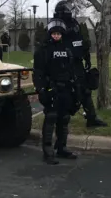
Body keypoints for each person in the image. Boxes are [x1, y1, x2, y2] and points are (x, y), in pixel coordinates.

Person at [53, 0, 107, 128]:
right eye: (68, 8)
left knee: (85, 90)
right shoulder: (56, 25)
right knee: (65, 93)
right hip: (63, 65)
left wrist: (86, 57)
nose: (71, 10)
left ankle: (91, 118)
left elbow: (80, 41)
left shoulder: (74, 23)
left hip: (77, 63)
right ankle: (60, 120)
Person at [33, 18, 80, 164]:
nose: (56, 36)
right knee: (51, 118)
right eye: (54, 34)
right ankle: (48, 151)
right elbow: (38, 72)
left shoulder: (67, 49)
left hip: (66, 88)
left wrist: (75, 87)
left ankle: (61, 147)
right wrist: (41, 89)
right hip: (51, 88)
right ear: (50, 34)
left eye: (59, 34)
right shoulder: (43, 50)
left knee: (64, 118)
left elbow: (72, 69)